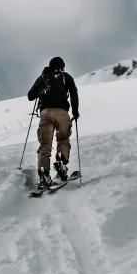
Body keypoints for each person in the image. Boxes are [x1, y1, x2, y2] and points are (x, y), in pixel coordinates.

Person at [27, 56, 79, 188]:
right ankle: (61, 161)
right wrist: (75, 111)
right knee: (63, 138)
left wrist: (41, 89)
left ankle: (44, 174)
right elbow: (74, 93)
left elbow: (30, 96)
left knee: (45, 144)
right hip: (62, 112)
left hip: (45, 113)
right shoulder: (66, 77)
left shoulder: (42, 77)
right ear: (62, 67)